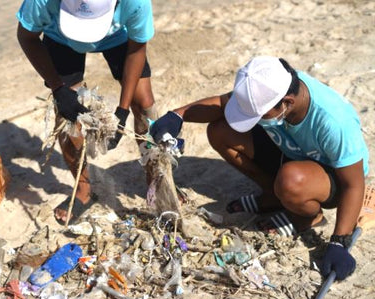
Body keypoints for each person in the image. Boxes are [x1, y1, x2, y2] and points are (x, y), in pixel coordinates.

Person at [150, 56, 369, 281]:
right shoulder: (270, 86)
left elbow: (353, 184)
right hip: (292, 152)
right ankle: (275, 195)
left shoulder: (333, 123)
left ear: (287, 103)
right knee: (220, 131)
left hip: (331, 178)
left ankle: (306, 217)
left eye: (259, 115)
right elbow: (223, 105)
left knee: (290, 180)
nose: (255, 119)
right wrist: (178, 116)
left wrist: (339, 241)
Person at [17, 0, 157, 224]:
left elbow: (137, 47)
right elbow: (27, 37)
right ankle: (83, 189)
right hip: (61, 36)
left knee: (145, 104)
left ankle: (155, 181)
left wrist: (123, 110)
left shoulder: (136, 3)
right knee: (67, 116)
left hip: (117, 35)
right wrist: (58, 88)